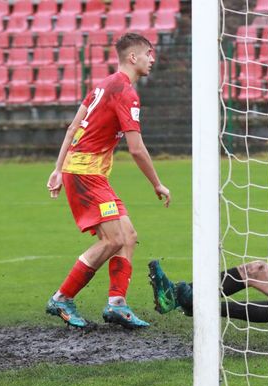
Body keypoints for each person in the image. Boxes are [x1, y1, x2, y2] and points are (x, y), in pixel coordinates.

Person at [45, 33, 171, 329]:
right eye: (148, 54)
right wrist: (157, 183)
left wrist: (58, 168)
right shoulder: (126, 92)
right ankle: (62, 298)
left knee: (127, 236)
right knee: (113, 239)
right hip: (85, 173)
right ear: (133, 57)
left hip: (86, 172)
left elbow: (72, 128)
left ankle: (117, 303)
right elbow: (136, 149)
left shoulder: (102, 85)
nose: (152, 59)